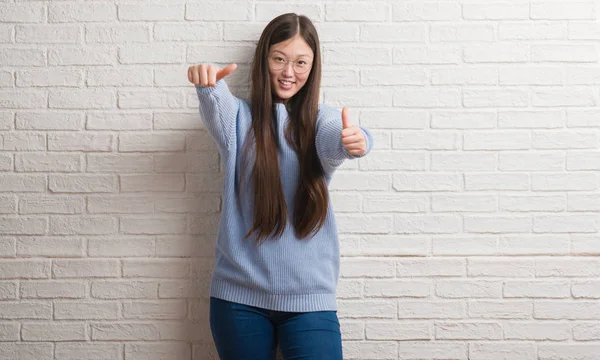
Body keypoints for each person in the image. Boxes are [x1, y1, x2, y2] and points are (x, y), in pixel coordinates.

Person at [187, 13, 374, 360]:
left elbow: (337, 137)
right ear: (264, 60)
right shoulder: (238, 121)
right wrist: (207, 83)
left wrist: (355, 141)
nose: (289, 72)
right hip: (238, 299)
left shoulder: (321, 120)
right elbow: (216, 105)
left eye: (301, 62)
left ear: (313, 67)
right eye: (279, 59)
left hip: (310, 300)